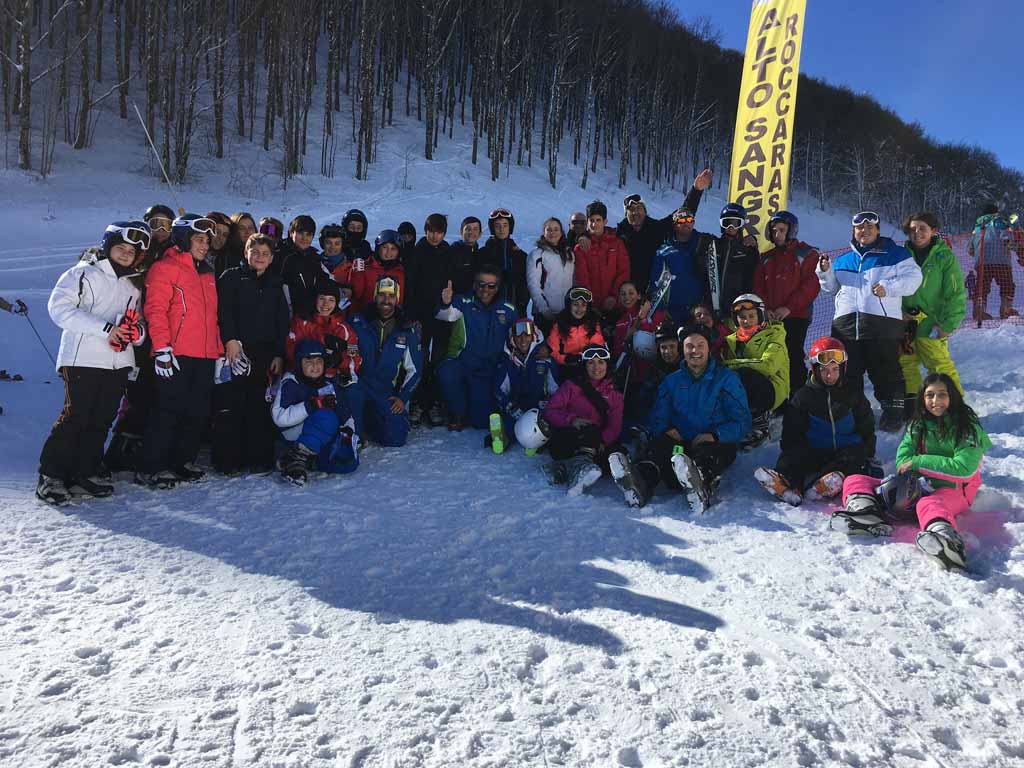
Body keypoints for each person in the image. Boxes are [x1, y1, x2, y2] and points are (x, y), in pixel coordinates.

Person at [35, 222, 150, 504]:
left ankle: (84, 472)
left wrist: (136, 334)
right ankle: (51, 475)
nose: (126, 254)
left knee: (102, 419)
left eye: (132, 251)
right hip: (83, 359)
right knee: (77, 416)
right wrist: (105, 328)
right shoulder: (83, 273)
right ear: (108, 246)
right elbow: (59, 309)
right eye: (121, 248)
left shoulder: (133, 285)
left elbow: (138, 323)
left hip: (118, 362)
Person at [832, 373, 991, 571]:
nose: (935, 401)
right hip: (916, 484)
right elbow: (904, 456)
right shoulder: (919, 423)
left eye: (942, 394)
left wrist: (918, 463)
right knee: (856, 479)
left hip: (954, 489)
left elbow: (963, 468)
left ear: (952, 396)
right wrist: (909, 474)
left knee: (929, 503)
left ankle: (946, 541)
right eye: (930, 395)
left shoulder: (967, 428)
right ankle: (866, 514)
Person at [609, 325, 750, 511]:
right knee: (659, 448)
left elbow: (742, 421)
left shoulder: (726, 379)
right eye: (689, 346)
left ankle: (701, 484)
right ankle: (641, 481)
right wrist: (666, 429)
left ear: (708, 348)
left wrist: (715, 435)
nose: (695, 351)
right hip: (679, 445)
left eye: (700, 345)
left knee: (711, 455)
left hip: (711, 442)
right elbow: (657, 416)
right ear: (683, 349)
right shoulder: (672, 381)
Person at [136, 214, 223, 488]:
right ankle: (151, 466)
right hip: (176, 353)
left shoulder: (207, 273)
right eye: (199, 239)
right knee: (168, 410)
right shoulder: (165, 268)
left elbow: (212, 317)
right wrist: (162, 348)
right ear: (184, 239)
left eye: (207, 241)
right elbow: (156, 311)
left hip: (205, 354)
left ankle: (181, 461)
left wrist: (218, 351)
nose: (205, 245)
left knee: (197, 411)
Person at [817, 211, 923, 431]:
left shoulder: (896, 254)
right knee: (848, 371)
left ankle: (893, 411)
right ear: (853, 231)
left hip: (881, 324)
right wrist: (825, 273)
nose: (864, 231)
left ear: (878, 230)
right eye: (859, 228)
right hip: (846, 325)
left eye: (869, 227)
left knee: (885, 370)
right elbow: (832, 289)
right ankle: (851, 411)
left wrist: (889, 287)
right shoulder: (844, 259)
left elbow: (914, 279)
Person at [754, 337, 875, 506]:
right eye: (824, 370)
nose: (829, 375)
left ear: (842, 368)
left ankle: (825, 483)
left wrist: (868, 451)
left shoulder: (853, 394)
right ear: (815, 369)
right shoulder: (803, 397)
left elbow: (866, 424)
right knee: (793, 454)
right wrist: (790, 457)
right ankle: (787, 484)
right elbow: (791, 433)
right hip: (814, 451)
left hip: (844, 451)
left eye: (835, 369)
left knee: (855, 457)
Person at [213, 232, 290, 475]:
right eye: (255, 252)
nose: (260, 257)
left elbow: (281, 320)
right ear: (246, 252)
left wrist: (279, 353)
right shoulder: (231, 277)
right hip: (236, 350)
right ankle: (229, 460)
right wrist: (230, 340)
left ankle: (257, 457)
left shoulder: (275, 282)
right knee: (232, 404)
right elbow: (223, 311)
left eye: (265, 254)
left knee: (258, 404)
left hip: (264, 352)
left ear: (271, 258)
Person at [899, 211, 967, 416]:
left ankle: (954, 408)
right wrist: (897, 313)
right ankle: (912, 405)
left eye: (923, 228)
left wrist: (948, 324)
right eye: (913, 229)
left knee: (939, 366)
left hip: (931, 324)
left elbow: (955, 293)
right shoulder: (900, 255)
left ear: (933, 231)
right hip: (905, 323)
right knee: (905, 364)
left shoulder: (943, 257)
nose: (917, 233)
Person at [753, 210, 820, 402]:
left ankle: (799, 399)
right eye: (774, 231)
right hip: (771, 317)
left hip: (796, 316)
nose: (777, 235)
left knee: (793, 356)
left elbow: (810, 286)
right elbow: (758, 287)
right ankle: (779, 399)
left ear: (791, 231)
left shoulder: (806, 254)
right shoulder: (766, 257)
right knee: (773, 358)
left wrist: (788, 308)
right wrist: (765, 309)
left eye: (782, 230)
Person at [436, 268, 515, 430]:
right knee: (447, 371)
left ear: (497, 287)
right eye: (481, 284)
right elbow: (444, 315)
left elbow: (519, 337)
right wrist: (445, 302)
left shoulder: (508, 309)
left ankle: (477, 407)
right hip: (464, 363)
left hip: (488, 370)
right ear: (474, 285)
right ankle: (457, 412)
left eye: (491, 286)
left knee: (480, 422)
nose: (485, 290)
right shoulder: (463, 302)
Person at [272, 339, 360, 485]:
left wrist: (348, 430)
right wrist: (312, 405)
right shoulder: (291, 383)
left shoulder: (328, 384)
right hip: (294, 435)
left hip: (320, 435)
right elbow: (279, 417)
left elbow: (345, 413)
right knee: (327, 417)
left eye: (319, 361)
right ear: (299, 363)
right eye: (309, 362)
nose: (315, 366)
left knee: (348, 461)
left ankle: (305, 461)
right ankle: (296, 458)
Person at [541, 344, 624, 496]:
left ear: (607, 365)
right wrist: (571, 420)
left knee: (615, 455)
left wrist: (602, 441)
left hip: (596, 442)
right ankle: (579, 471)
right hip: (569, 437)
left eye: (601, 362)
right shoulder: (571, 386)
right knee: (587, 430)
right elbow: (550, 411)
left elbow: (614, 427)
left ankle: (563, 468)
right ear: (584, 365)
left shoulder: (615, 396)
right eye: (591, 363)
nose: (596, 367)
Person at [350, 276, 421, 447]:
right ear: (375, 296)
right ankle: (357, 427)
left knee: (396, 438)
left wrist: (402, 398)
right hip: (358, 386)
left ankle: (371, 421)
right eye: (382, 295)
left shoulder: (407, 329)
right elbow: (347, 355)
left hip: (384, 391)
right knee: (352, 424)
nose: (386, 300)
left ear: (397, 299)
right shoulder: (357, 321)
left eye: (391, 296)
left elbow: (415, 369)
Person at [615, 168, 711, 287]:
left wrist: (696, 190)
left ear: (645, 211)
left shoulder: (655, 229)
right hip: (627, 293)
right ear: (626, 214)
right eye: (631, 210)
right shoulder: (618, 235)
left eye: (638, 208)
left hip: (653, 290)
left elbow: (681, 215)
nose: (635, 212)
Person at [720, 293, 789, 448]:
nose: (746, 321)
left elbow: (768, 366)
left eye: (751, 316)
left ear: (760, 316)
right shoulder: (732, 340)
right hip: (744, 390)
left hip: (773, 389)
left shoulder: (774, 335)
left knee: (744, 375)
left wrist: (730, 364)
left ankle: (760, 423)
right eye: (742, 317)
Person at [405, 213, 453, 427]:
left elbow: (452, 280)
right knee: (420, 358)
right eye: (431, 231)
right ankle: (417, 401)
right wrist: (412, 315)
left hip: (442, 312)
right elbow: (410, 286)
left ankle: (433, 402)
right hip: (420, 313)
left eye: (439, 232)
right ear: (425, 231)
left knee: (439, 357)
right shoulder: (418, 251)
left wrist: (448, 301)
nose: (435, 236)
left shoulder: (447, 251)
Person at [489, 317, 558, 453]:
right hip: (517, 406)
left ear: (533, 336)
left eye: (527, 335)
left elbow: (555, 389)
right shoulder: (508, 361)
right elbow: (499, 390)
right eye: (518, 336)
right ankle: (500, 437)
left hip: (538, 408)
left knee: (544, 425)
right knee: (510, 424)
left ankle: (533, 444)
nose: (523, 340)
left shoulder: (545, 360)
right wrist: (510, 406)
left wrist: (549, 403)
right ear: (512, 339)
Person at [286, 280, 362, 382]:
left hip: (332, 380)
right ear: (315, 299)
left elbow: (355, 361)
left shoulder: (345, 330)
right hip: (301, 379)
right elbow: (290, 351)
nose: (326, 304)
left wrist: (340, 361)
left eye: (331, 300)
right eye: (322, 298)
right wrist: (321, 342)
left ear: (336, 302)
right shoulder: (301, 322)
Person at [647, 207, 709, 323]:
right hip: (672, 311)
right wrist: (660, 307)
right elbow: (656, 281)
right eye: (681, 221)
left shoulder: (704, 242)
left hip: (697, 310)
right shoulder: (664, 251)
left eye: (689, 220)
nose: (686, 223)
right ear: (675, 225)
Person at [699, 203, 759, 318]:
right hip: (710, 308)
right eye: (727, 223)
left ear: (741, 225)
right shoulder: (713, 245)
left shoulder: (748, 251)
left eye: (736, 223)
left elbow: (751, 280)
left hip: (735, 309)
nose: (731, 227)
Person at [572, 200, 629, 317]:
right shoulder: (581, 247)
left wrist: (614, 296)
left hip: (615, 304)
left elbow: (623, 271)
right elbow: (582, 277)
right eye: (591, 220)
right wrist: (589, 302)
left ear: (605, 221)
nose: (594, 224)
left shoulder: (617, 243)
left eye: (598, 220)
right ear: (587, 222)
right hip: (591, 307)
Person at [610, 281, 666, 390]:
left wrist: (643, 320)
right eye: (623, 294)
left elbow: (659, 337)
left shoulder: (653, 314)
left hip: (652, 373)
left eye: (631, 293)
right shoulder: (620, 322)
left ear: (639, 295)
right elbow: (618, 350)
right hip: (630, 376)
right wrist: (627, 339)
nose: (627, 297)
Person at [968, 203, 1017, 320]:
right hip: (1002, 261)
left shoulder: (977, 226)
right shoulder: (1000, 222)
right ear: (995, 213)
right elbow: (1007, 238)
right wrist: (1012, 245)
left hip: (982, 261)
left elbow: (970, 249)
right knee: (1007, 284)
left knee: (982, 285)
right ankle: (1006, 309)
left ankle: (978, 310)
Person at [544, 287, 606, 376]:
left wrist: (584, 358)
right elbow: (552, 351)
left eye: (583, 305)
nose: (579, 309)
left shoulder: (593, 324)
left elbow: (597, 347)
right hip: (566, 367)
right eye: (575, 304)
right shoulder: (559, 325)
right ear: (569, 305)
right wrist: (566, 359)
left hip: (588, 367)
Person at [526, 217, 575, 329]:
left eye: (556, 229)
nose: (553, 233)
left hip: (567, 312)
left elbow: (573, 281)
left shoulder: (569, 254)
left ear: (561, 232)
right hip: (545, 314)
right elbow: (533, 284)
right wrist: (544, 310)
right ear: (544, 233)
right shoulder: (537, 254)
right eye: (549, 230)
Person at [343, 229, 407, 315]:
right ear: (378, 248)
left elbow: (401, 301)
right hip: (364, 317)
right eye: (385, 247)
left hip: (390, 317)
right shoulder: (365, 267)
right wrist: (357, 273)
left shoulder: (401, 273)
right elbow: (355, 295)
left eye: (393, 248)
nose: (388, 252)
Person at [480, 208, 528, 314]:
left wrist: (522, 304)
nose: (501, 229)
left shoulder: (520, 256)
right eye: (497, 226)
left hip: (515, 310)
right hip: (488, 310)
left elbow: (526, 284)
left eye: (505, 225)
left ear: (510, 227)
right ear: (492, 228)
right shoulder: (483, 254)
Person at [275, 214, 325, 317]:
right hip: (285, 313)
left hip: (308, 314)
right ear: (291, 233)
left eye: (308, 234)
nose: (304, 238)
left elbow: (324, 278)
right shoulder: (281, 255)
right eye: (300, 233)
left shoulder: (314, 257)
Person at [449, 216, 484, 294]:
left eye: (475, 229)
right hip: (456, 297)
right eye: (468, 229)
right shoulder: (452, 252)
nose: (471, 232)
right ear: (461, 232)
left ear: (480, 234)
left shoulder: (481, 254)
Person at [205, 211, 234, 278]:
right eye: (217, 232)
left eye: (225, 235)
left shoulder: (226, 260)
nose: (220, 238)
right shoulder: (194, 255)